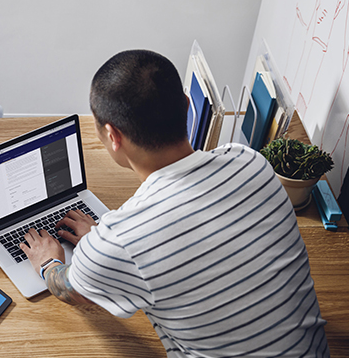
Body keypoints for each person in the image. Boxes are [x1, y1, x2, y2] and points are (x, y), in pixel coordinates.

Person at [20, 50, 329, 356]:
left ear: (113, 136)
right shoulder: (251, 163)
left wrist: (50, 262)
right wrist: (106, 246)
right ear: (187, 105)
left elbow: (71, 290)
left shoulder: (120, 240)